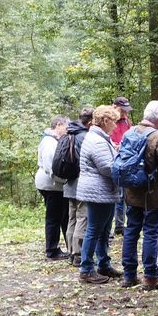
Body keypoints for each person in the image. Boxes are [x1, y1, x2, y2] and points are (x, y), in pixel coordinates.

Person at [121, 101, 158, 290]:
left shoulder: (129, 132)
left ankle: (129, 275)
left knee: (131, 231)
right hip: (153, 194)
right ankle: (150, 276)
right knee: (150, 232)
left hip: (132, 192)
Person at [77, 105, 123, 284]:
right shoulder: (96, 140)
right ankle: (86, 268)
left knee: (103, 230)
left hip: (102, 191)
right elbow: (107, 167)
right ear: (105, 121)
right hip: (98, 191)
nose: (116, 125)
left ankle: (103, 263)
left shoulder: (100, 137)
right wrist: (121, 161)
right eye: (114, 121)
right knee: (94, 230)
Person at [35, 115, 70, 260]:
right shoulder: (49, 143)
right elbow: (51, 167)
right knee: (54, 217)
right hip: (52, 186)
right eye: (66, 127)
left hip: (54, 185)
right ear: (58, 125)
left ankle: (58, 247)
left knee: (60, 216)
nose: (67, 130)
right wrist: (64, 180)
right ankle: (52, 250)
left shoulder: (52, 140)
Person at [63, 108, 93, 267]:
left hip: (69, 183)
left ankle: (70, 251)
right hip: (81, 184)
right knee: (83, 217)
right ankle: (78, 254)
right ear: (90, 121)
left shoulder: (69, 134)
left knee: (72, 218)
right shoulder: (85, 137)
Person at [111, 96, 133, 236]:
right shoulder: (108, 119)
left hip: (126, 161)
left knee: (126, 195)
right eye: (122, 110)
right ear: (115, 107)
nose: (125, 113)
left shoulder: (126, 121)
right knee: (115, 196)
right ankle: (114, 225)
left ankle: (121, 224)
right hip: (112, 161)